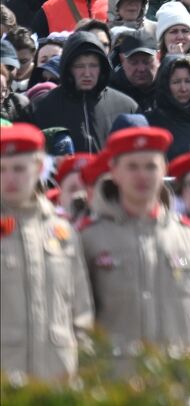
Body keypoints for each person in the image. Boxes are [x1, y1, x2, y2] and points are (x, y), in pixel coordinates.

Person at [79, 125, 190, 372]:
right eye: (132, 167)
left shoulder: (188, 237)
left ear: (164, 170)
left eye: (150, 166)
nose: (142, 176)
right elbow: (79, 323)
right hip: (115, 385)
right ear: (114, 172)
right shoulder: (89, 237)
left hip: (178, 381)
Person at [0, 122, 93, 380]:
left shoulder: (63, 233)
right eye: (2, 170)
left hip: (57, 376)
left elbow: (81, 313)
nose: (10, 178)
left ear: (39, 169)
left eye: (19, 169)